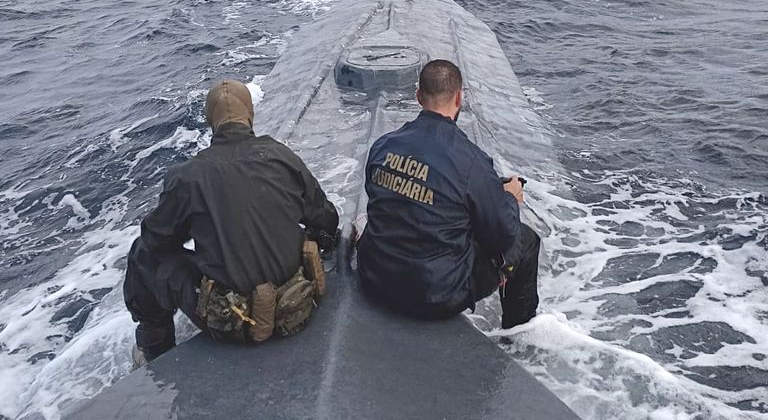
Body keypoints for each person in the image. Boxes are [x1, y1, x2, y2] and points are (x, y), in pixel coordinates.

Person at [124, 80, 339, 364]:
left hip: (232, 324)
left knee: (142, 255)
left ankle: (153, 350)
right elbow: (327, 219)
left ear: (209, 121)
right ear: (250, 114)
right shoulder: (281, 156)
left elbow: (155, 241)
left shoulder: (187, 177)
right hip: (298, 305)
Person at [357, 60, 540, 328]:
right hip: (436, 296)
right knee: (527, 241)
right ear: (458, 98)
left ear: (418, 96)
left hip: (375, 278)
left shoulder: (383, 145)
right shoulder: (472, 162)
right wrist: (509, 199)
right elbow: (503, 237)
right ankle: (518, 332)